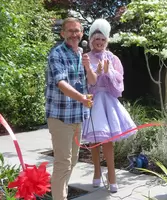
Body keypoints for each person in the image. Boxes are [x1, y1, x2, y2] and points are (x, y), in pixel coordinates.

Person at [82, 19, 137, 192]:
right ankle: (97, 172)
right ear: (91, 41)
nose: (99, 43)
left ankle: (112, 175)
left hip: (108, 102)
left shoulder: (112, 58)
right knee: (94, 141)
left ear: (106, 41)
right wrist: (96, 72)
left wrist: (108, 72)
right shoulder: (86, 57)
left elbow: (119, 85)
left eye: (102, 40)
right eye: (96, 40)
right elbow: (87, 83)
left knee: (107, 141)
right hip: (93, 100)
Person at [46, 17, 95, 200]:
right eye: (70, 31)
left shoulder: (81, 53)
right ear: (63, 33)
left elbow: (91, 81)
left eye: (77, 31)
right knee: (63, 163)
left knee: (72, 161)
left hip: (77, 116)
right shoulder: (56, 53)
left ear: (82, 33)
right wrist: (82, 98)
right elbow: (61, 83)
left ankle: (61, 194)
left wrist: (88, 67)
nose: (74, 34)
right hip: (60, 117)